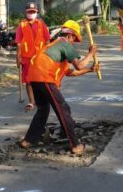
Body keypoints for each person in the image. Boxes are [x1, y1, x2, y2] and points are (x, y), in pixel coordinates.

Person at [18, 20, 98, 155]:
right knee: (63, 109)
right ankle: (75, 145)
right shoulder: (64, 44)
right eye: (74, 39)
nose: (73, 43)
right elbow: (79, 65)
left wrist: (91, 70)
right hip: (44, 78)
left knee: (43, 110)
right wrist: (91, 53)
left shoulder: (53, 47)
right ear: (70, 35)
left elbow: (72, 72)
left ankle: (28, 140)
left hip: (34, 77)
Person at [15, 1, 50, 111]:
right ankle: (31, 102)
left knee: (41, 80)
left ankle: (42, 98)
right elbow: (19, 43)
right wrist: (18, 57)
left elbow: (47, 40)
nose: (31, 13)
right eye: (29, 12)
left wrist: (48, 54)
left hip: (40, 57)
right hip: (27, 58)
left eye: (33, 12)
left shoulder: (41, 24)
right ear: (26, 12)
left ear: (36, 12)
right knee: (28, 81)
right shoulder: (22, 25)